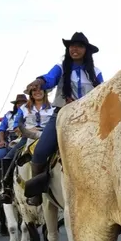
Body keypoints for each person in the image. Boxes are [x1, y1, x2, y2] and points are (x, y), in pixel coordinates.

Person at [22, 33, 102, 205]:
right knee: (40, 151)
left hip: (89, 118)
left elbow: (103, 93)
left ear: (86, 50)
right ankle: (36, 191)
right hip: (62, 115)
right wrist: (39, 81)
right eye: (71, 46)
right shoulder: (61, 67)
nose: (75, 49)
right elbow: (50, 78)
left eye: (79, 46)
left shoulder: (96, 73)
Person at [0, 93, 28, 201]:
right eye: (19, 103)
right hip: (10, 141)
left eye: (23, 103)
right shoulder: (8, 115)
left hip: (26, 138)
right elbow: (1, 130)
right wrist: (2, 141)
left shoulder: (30, 112)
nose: (21, 105)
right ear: (15, 105)